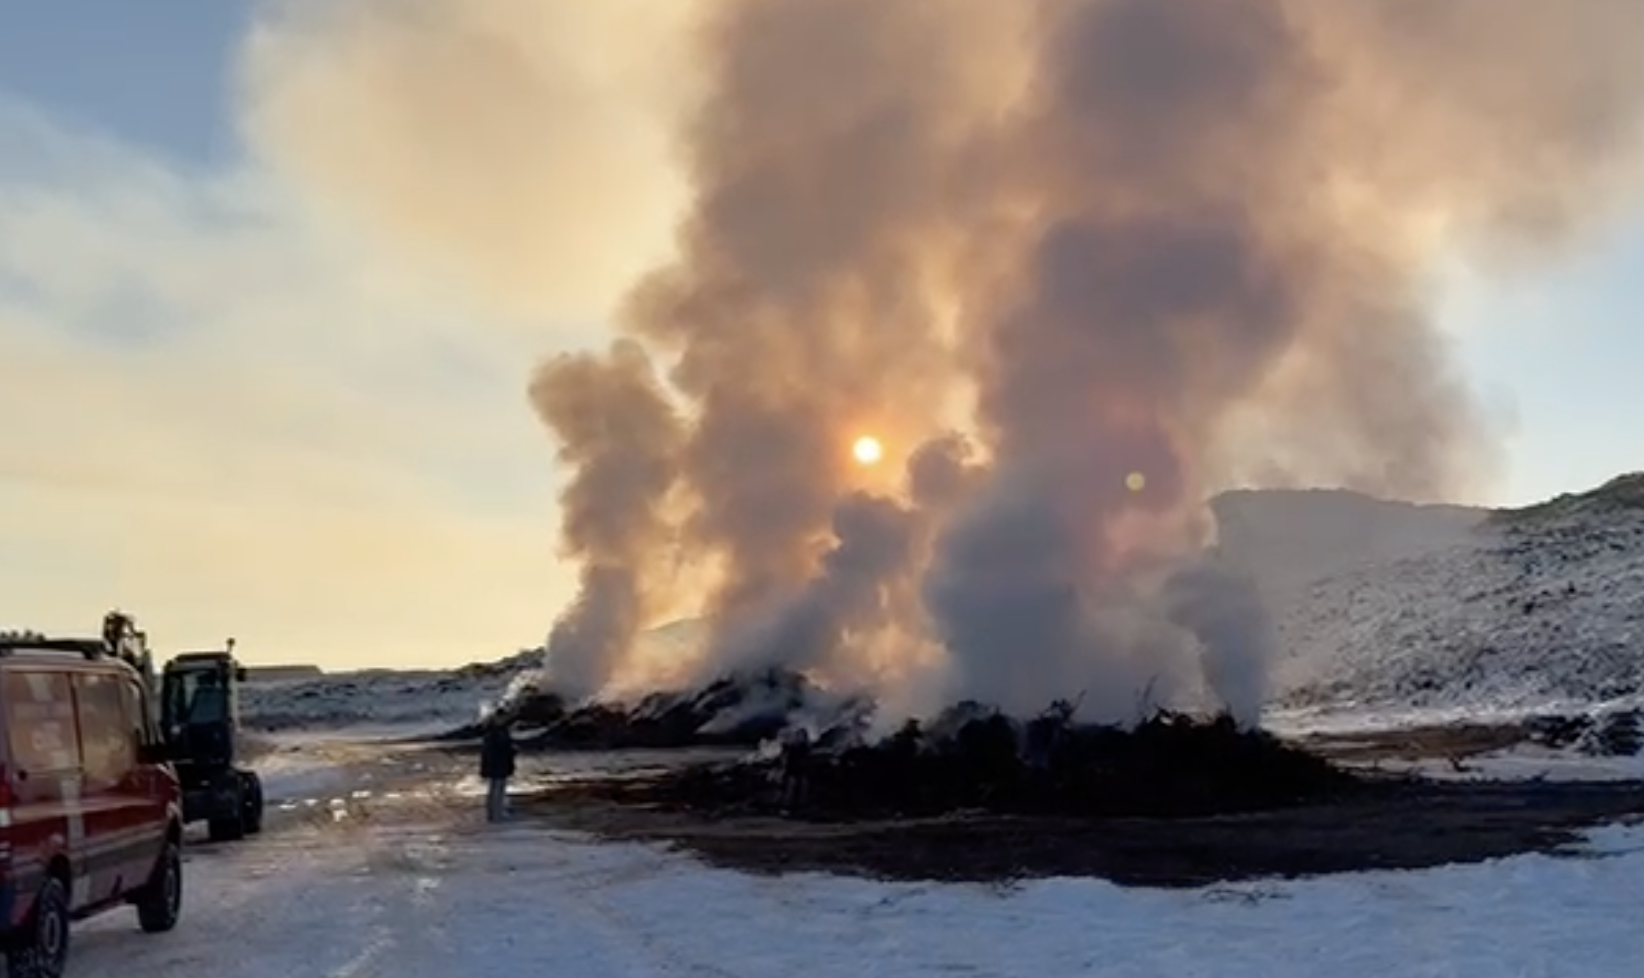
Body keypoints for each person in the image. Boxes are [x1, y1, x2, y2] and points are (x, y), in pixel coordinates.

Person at [479, 713, 518, 823]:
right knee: (497, 790)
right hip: (498, 765)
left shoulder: (494, 733)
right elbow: (498, 750)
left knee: (496, 790)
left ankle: (495, 814)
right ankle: (495, 815)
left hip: (498, 765)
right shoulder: (497, 734)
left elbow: (488, 752)